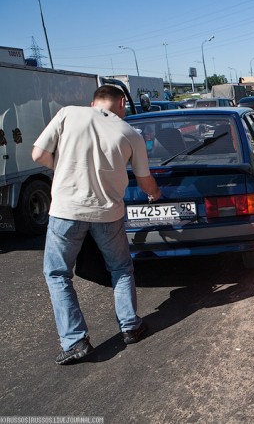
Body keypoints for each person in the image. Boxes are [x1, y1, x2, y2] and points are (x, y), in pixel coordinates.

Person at [32, 85, 162, 365]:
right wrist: (156, 194)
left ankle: (75, 342)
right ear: (122, 105)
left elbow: (38, 155)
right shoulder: (130, 133)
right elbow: (144, 180)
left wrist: (66, 167)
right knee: (120, 269)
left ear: (92, 103)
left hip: (66, 211)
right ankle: (130, 326)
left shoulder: (68, 114)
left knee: (57, 274)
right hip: (107, 214)